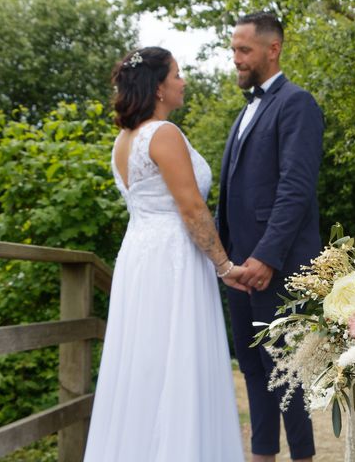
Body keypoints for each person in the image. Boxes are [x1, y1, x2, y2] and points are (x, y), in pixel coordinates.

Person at [84, 47, 245, 462]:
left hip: (140, 258)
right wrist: (225, 266)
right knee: (176, 363)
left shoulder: (124, 140)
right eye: (177, 74)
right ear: (158, 87)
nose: (183, 80)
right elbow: (191, 208)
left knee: (145, 365)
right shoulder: (163, 134)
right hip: (174, 260)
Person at [217, 12, 324, 462]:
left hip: (275, 267)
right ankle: (262, 455)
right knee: (255, 371)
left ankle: (303, 456)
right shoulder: (246, 110)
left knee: (288, 373)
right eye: (234, 50)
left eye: (244, 50)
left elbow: (295, 189)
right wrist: (225, 260)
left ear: (272, 49)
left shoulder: (296, 103)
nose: (236, 59)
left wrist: (266, 257)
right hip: (240, 268)